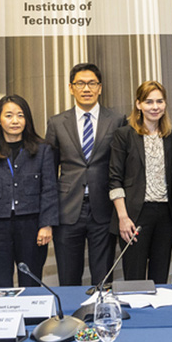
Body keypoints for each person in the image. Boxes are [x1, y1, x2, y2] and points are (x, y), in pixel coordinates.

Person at [45, 63, 126, 286]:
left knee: (103, 278)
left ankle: (101, 318)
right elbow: (49, 173)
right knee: (68, 277)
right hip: (67, 209)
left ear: (100, 88)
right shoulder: (56, 123)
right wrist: (49, 216)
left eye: (92, 83)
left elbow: (121, 168)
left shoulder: (117, 120)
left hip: (104, 207)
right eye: (80, 83)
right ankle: (70, 320)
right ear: (71, 88)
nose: (86, 88)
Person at [0, 95, 59, 287]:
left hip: (32, 226)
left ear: (26, 119)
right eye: (9, 115)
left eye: (20, 115)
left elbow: (49, 190)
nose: (15, 121)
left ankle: (32, 318)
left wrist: (47, 225)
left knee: (31, 282)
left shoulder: (42, 150)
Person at [108, 81, 172, 284]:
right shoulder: (124, 135)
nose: (155, 107)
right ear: (138, 105)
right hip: (133, 216)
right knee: (135, 279)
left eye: (159, 101)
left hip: (165, 215)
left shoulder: (171, 137)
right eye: (149, 102)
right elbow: (114, 179)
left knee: (160, 278)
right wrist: (123, 217)